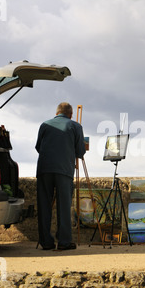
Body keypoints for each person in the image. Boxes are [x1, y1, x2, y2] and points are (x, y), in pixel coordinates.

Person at [35, 102, 86, 250]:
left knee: (44, 205)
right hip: (64, 170)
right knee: (64, 206)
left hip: (44, 169)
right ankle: (63, 242)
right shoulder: (75, 126)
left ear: (56, 113)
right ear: (71, 114)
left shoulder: (45, 125)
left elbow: (39, 146)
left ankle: (46, 242)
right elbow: (80, 152)